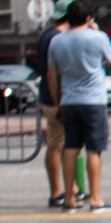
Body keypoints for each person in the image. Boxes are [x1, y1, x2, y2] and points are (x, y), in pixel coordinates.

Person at [46, 4, 111, 211]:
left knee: (71, 148)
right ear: (88, 17)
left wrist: (57, 101)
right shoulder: (98, 37)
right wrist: (96, 32)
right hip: (94, 100)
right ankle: (95, 199)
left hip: (68, 100)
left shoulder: (56, 41)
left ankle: (69, 199)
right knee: (94, 149)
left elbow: (52, 74)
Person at [37, 15, 70, 208]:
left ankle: (66, 189)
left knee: (58, 144)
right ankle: (58, 192)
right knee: (59, 144)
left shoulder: (46, 35)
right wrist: (58, 102)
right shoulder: (57, 38)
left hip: (48, 96)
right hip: (56, 97)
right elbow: (53, 73)